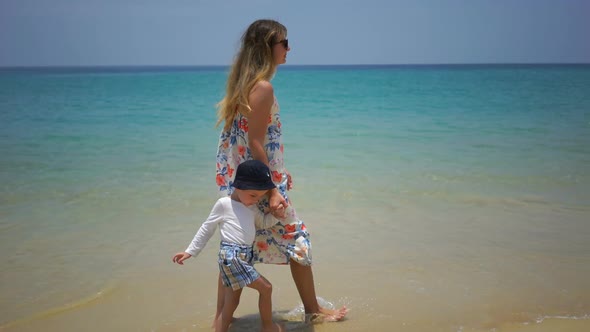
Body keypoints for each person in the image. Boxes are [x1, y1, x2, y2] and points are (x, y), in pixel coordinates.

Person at [214, 19, 348, 323]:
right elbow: (256, 141)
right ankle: (313, 312)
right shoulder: (262, 87)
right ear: (267, 48)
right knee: (297, 239)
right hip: (259, 184)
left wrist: (279, 172)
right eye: (284, 43)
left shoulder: (243, 84)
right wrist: (273, 188)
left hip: (246, 181)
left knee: (236, 248)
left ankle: (221, 319)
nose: (289, 48)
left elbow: (240, 143)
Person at [172, 160, 286, 332]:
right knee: (266, 288)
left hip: (244, 256)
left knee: (231, 301)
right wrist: (190, 251)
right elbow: (207, 228)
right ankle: (268, 327)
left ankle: (221, 328)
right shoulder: (224, 204)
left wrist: (277, 215)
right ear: (238, 186)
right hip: (231, 255)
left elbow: (262, 223)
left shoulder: (252, 208)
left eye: (260, 197)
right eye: (253, 195)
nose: (255, 200)